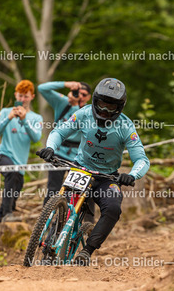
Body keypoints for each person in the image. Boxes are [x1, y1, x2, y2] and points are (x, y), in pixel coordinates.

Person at [37, 78, 149, 265]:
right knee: (63, 203)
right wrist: (50, 148)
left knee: (113, 209)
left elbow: (142, 159)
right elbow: (59, 132)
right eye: (101, 104)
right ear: (95, 100)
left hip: (107, 177)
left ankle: (87, 251)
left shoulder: (126, 126)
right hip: (81, 168)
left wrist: (131, 175)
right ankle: (48, 248)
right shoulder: (84, 113)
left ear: (119, 107)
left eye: (110, 107)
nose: (104, 110)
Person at [0, 80, 43, 223]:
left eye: (26, 96)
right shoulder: (5, 112)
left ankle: (0, 222)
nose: (22, 99)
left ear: (32, 97)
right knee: (12, 173)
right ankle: (7, 214)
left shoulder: (36, 118)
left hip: (21, 164)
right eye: (20, 96)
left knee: (14, 192)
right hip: (3, 155)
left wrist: (24, 120)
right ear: (15, 95)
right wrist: (8, 118)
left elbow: (36, 137)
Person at [37, 80, 92, 205]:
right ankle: (47, 216)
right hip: (59, 151)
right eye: (78, 93)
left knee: (76, 191)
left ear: (89, 97)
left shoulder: (89, 111)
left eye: (84, 95)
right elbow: (42, 88)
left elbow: (80, 125)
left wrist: (76, 106)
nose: (80, 97)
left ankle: (71, 215)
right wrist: (66, 84)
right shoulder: (63, 102)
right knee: (53, 188)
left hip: (78, 156)